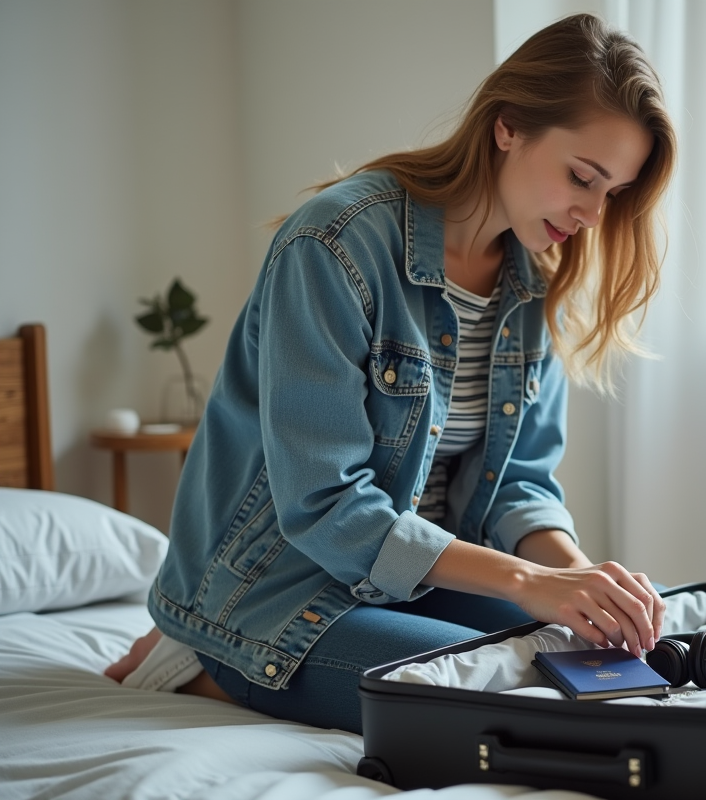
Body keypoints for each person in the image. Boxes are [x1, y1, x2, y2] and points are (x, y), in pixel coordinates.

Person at [104, 13, 676, 734]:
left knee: (604, 659)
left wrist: (580, 583)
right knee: (500, 694)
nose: (594, 213)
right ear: (508, 126)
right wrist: (532, 583)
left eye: (613, 193)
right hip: (279, 588)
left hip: (415, 582)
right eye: (582, 177)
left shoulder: (532, 280)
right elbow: (324, 504)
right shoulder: (334, 244)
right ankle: (202, 656)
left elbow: (520, 483)